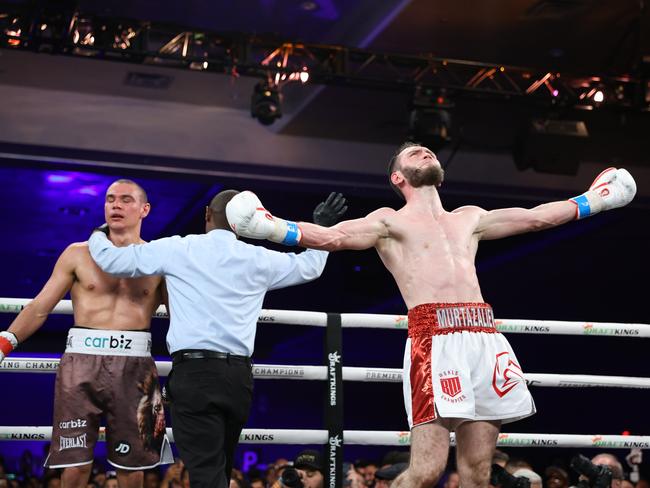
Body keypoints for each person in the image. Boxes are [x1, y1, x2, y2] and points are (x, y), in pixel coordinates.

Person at [225, 142, 637, 488]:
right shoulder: (388, 221)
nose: (424, 151)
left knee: (477, 471)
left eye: (428, 150)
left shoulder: (469, 218)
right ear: (397, 178)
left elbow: (534, 218)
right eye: (413, 153)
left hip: (484, 338)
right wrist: (274, 228)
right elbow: (334, 236)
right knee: (426, 471)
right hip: (434, 340)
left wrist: (593, 201)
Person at [86, 189, 346, 488]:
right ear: (243, 223)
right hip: (238, 379)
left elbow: (112, 261)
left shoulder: (179, 249)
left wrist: (101, 231)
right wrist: (322, 227)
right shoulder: (258, 258)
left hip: (195, 375)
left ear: (207, 213)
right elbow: (311, 266)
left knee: (207, 475)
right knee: (220, 469)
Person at [0, 179, 172, 488]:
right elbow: (40, 307)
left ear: (144, 209)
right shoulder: (77, 254)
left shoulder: (160, 259)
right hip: (81, 364)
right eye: (110, 199)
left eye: (125, 200)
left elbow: (179, 318)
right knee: (74, 466)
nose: (115, 205)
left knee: (132, 469)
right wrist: (4, 343)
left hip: (136, 369)